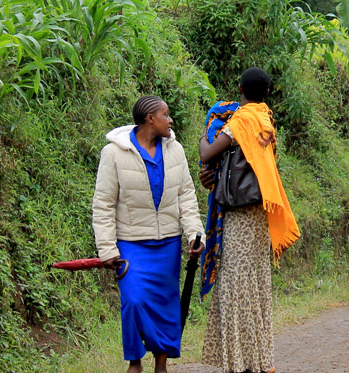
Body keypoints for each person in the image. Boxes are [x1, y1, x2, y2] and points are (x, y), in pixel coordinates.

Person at [197, 67, 301, 373]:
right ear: (267, 93)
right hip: (260, 213)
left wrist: (208, 131)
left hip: (239, 214)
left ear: (239, 87)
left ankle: (240, 362)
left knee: (234, 284)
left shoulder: (240, 120)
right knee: (255, 285)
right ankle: (258, 360)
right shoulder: (266, 119)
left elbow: (207, 154)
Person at [93, 95, 205, 373]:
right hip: (130, 244)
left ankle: (161, 364)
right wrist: (107, 249)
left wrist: (194, 234)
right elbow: (103, 203)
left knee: (165, 304)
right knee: (133, 300)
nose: (170, 120)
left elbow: (186, 196)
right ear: (149, 119)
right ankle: (135, 362)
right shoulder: (114, 153)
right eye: (165, 115)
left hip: (167, 243)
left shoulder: (174, 150)